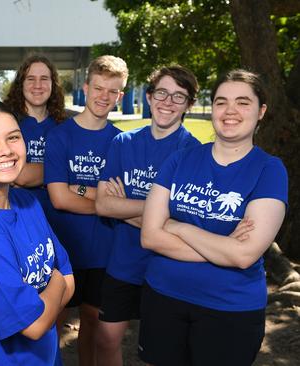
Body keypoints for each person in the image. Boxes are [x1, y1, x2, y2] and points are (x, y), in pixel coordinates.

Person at [139, 69, 287, 365]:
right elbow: (150, 236)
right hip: (163, 297)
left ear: (261, 111)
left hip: (230, 308)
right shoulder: (180, 158)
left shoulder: (269, 170)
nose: (230, 111)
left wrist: (178, 226)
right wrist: (223, 247)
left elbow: (243, 255)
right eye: (221, 102)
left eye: (243, 102)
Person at [0, 98, 75, 365]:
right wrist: (55, 282)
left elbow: (70, 279)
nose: (5, 150)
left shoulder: (27, 202)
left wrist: (52, 290)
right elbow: (34, 325)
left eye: (13, 137)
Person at [94, 65, 201, 366]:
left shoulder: (194, 153)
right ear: (150, 97)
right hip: (123, 264)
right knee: (106, 339)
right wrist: (159, 210)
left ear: (189, 105)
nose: (168, 102)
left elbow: (182, 224)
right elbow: (103, 206)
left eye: (178, 97)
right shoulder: (124, 142)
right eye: (162, 93)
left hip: (166, 267)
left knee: (159, 353)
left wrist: (125, 206)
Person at [43, 55, 127, 366]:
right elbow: (59, 199)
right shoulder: (60, 135)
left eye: (113, 91)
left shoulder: (123, 141)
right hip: (64, 247)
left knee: (92, 323)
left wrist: (75, 186)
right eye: (99, 88)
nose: (104, 97)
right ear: (86, 87)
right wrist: (103, 199)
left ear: (120, 95)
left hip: (105, 250)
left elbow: (122, 199)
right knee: (52, 320)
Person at [3, 54, 67, 211]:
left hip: (58, 216)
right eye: (31, 79)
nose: (37, 85)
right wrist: (63, 171)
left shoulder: (64, 126)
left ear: (53, 84)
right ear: (21, 84)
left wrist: (32, 173)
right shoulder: (6, 123)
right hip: (17, 211)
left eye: (44, 78)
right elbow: (20, 175)